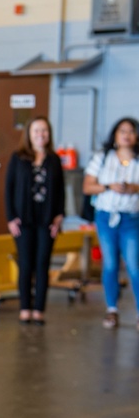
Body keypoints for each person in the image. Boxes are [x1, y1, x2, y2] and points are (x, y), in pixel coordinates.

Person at [4, 115, 65, 325]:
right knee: (26, 264)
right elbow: (8, 189)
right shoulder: (18, 157)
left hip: (47, 221)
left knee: (42, 264)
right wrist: (11, 218)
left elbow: (60, 191)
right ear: (29, 134)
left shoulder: (54, 159)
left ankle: (39, 309)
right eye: (37, 131)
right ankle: (25, 308)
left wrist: (59, 217)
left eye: (44, 131)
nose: (41, 134)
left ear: (49, 134)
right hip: (23, 220)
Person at [82, 116, 139, 330]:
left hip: (131, 218)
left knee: (134, 266)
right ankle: (112, 310)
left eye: (131, 131)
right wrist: (108, 186)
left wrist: (135, 188)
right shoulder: (103, 157)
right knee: (110, 264)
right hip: (106, 216)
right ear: (115, 135)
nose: (126, 134)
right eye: (122, 130)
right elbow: (88, 187)